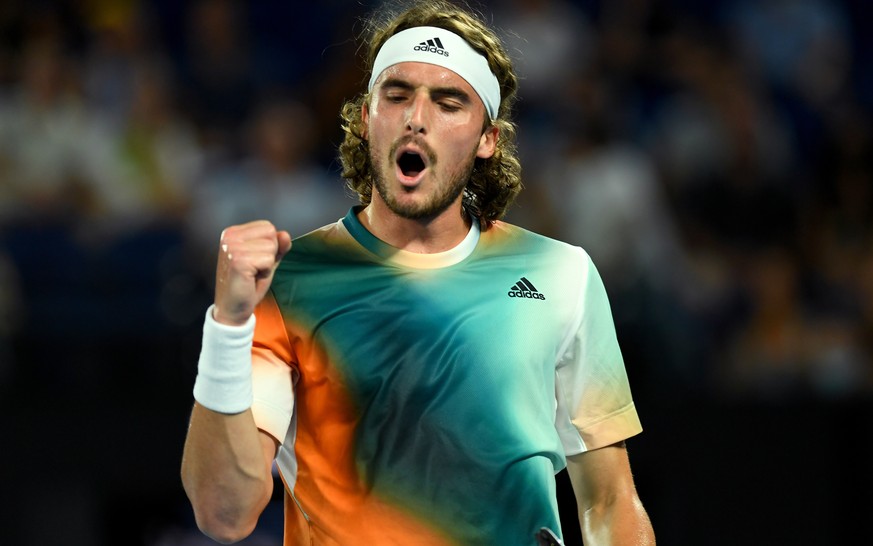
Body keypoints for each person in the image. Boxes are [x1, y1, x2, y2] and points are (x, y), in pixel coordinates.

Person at [180, 1, 655, 545]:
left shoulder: (562, 274)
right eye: (397, 94)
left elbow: (611, 499)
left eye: (449, 102)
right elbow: (224, 513)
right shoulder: (289, 286)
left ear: (487, 139)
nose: (416, 117)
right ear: (366, 118)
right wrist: (227, 326)